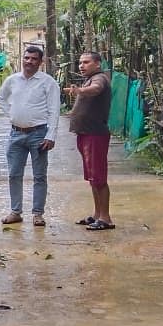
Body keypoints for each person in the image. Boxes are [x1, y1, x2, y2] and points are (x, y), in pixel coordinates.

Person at [0, 45, 60, 226]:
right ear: (22, 59)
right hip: (16, 134)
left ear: (40, 62)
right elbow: (0, 98)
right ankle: (15, 211)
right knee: (14, 174)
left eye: (33, 59)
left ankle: (38, 213)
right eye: (26, 58)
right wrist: (12, 115)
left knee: (39, 175)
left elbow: (55, 110)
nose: (29, 62)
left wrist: (51, 135)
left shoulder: (48, 82)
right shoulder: (12, 80)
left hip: (39, 135)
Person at [64, 50, 114, 230]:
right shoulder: (89, 79)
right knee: (93, 177)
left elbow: (96, 90)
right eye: (80, 62)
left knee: (99, 177)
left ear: (97, 64)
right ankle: (97, 214)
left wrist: (80, 91)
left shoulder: (99, 78)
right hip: (85, 133)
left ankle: (106, 218)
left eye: (86, 62)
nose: (81, 66)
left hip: (95, 134)